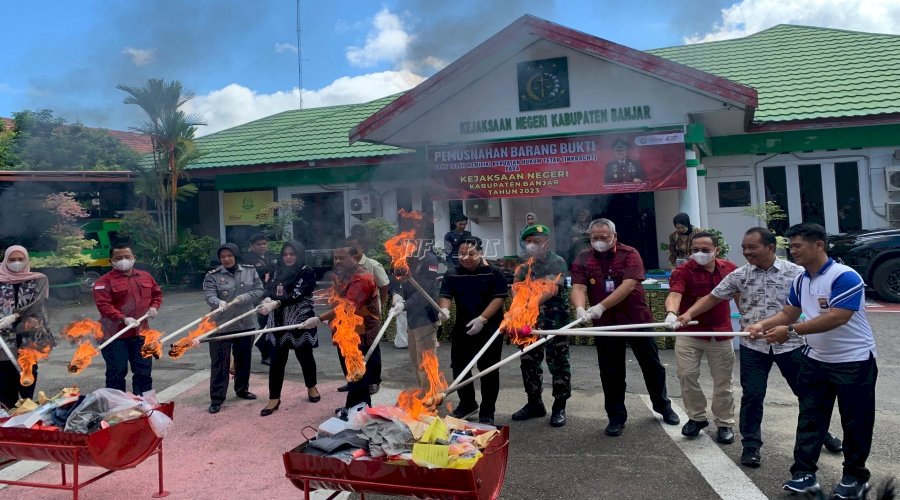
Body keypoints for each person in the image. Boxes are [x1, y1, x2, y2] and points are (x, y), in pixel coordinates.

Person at [676, 227, 843, 467]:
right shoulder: (740, 275)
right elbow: (713, 297)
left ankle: (822, 434)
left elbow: (813, 306)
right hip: (754, 346)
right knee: (753, 396)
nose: (746, 252)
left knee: (807, 395)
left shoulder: (796, 273)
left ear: (771, 248)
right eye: (744, 247)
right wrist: (688, 314)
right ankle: (751, 446)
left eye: (752, 247)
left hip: (790, 343)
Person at [747, 223, 878, 498]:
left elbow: (837, 316)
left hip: (853, 361)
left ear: (819, 244)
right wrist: (762, 325)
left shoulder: (844, 276)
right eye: (791, 246)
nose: (792, 252)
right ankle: (803, 474)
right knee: (810, 418)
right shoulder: (801, 279)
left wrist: (791, 331)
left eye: (798, 246)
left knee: (855, 422)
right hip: (816, 360)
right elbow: (788, 313)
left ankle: (855, 477)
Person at [570, 218, 679, 436]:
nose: (599, 241)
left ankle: (662, 406)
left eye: (604, 237)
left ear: (614, 237)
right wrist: (581, 308)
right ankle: (616, 416)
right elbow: (579, 287)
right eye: (595, 238)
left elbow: (628, 285)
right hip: (605, 325)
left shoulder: (630, 254)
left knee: (652, 365)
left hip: (635, 319)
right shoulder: (583, 257)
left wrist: (601, 305)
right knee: (610, 371)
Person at [664, 231, 737, 443]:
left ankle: (724, 423)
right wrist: (671, 313)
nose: (700, 254)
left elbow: (741, 295)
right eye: (695, 250)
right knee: (686, 375)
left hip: (720, 332)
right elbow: (675, 294)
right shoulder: (683, 270)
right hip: (690, 331)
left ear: (717, 250)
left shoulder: (730, 269)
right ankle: (696, 418)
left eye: (705, 250)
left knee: (723, 381)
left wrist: (749, 320)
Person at [299, 240, 381, 413]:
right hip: (344, 331)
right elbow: (334, 297)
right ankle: (355, 407)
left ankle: (358, 409)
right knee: (350, 372)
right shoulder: (342, 275)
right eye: (335, 258)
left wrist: (319, 318)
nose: (337, 262)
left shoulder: (363, 278)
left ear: (354, 257)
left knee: (358, 373)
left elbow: (346, 306)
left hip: (361, 333)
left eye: (342, 258)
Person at [438, 236, 507, 425]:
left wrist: (482, 319)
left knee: (488, 369)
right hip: (463, 326)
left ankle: (487, 410)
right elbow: (445, 295)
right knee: (460, 367)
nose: (466, 257)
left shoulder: (493, 273)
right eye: (461, 254)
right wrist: (444, 309)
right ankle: (468, 403)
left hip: (490, 326)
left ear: (480, 253)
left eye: (471, 254)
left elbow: (499, 298)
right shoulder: (452, 273)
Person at [510, 224, 571, 427]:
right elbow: (516, 286)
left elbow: (551, 288)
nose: (532, 245)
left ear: (547, 242)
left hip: (555, 322)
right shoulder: (523, 263)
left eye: (537, 240)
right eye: (529, 241)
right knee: (529, 363)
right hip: (529, 323)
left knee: (558, 364)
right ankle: (534, 403)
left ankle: (559, 406)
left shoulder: (558, 262)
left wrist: (528, 304)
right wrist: (519, 305)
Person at [257, 240, 321, 416]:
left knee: (305, 356)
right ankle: (274, 397)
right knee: (276, 360)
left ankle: (311, 386)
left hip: (300, 320)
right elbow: (268, 288)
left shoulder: (307, 271)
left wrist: (277, 302)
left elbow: (299, 294)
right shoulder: (276, 270)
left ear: (299, 255)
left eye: (292, 254)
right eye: (285, 254)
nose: (288, 257)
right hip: (277, 321)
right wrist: (267, 299)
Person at [93, 242, 162, 395]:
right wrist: (123, 318)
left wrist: (154, 307)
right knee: (116, 375)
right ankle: (117, 408)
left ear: (134, 258)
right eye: (118, 258)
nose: (123, 260)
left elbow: (157, 294)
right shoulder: (103, 282)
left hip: (142, 335)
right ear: (110, 261)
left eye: (127, 256)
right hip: (114, 336)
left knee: (144, 373)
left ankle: (145, 407)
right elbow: (103, 305)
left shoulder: (145, 277)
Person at [202, 243, 265, 414]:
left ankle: (242, 389)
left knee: (243, 359)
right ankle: (216, 398)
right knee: (219, 363)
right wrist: (218, 302)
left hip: (245, 323)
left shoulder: (250, 270)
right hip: (221, 325)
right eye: (223, 257)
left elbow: (259, 290)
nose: (226, 259)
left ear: (236, 256)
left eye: (229, 255)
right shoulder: (213, 275)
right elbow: (209, 295)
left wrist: (245, 296)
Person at [0, 246, 52, 409]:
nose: (16, 263)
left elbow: (37, 304)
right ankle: (9, 410)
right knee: (4, 374)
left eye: (20, 259)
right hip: (3, 335)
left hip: (29, 332)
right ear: (5, 260)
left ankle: (26, 405)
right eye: (12, 260)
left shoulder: (39, 279)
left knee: (28, 370)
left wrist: (15, 316)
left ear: (27, 260)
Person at [341, 227, 389, 396]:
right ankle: (354, 381)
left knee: (371, 347)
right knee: (354, 348)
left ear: (362, 248)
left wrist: (380, 306)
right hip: (352, 317)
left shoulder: (372, 266)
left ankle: (374, 381)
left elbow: (384, 287)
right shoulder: (345, 268)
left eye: (355, 248)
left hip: (368, 316)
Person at [389, 232, 441, 388]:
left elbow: (425, 290)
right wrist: (396, 294)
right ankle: (424, 393)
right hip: (412, 317)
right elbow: (394, 279)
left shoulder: (429, 259)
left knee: (426, 360)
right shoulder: (402, 259)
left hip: (425, 316)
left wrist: (405, 304)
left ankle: (432, 395)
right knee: (415, 359)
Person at [242, 232, 278, 365]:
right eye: (258, 244)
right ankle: (265, 352)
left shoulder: (272, 256)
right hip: (257, 295)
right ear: (251, 246)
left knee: (274, 323)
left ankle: (272, 351)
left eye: (264, 243)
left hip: (274, 293)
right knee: (264, 323)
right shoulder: (246, 259)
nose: (262, 246)